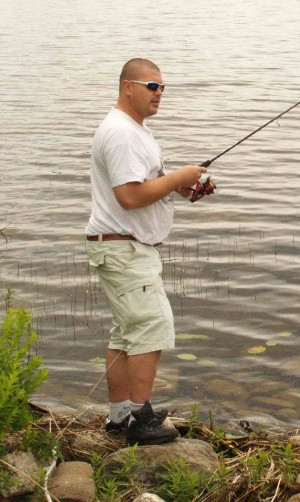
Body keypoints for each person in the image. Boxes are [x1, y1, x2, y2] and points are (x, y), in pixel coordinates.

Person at [85, 58, 206, 446]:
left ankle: (120, 416)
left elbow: (144, 185)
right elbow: (130, 196)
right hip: (124, 249)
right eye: (152, 86)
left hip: (127, 248)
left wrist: (182, 187)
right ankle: (142, 419)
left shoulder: (136, 131)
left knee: (126, 334)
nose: (160, 94)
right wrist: (177, 178)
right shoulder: (120, 132)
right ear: (127, 87)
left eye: (163, 87)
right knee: (151, 328)